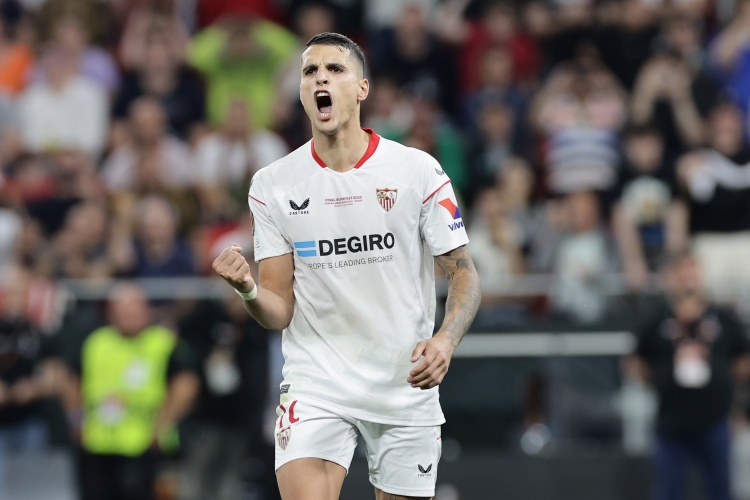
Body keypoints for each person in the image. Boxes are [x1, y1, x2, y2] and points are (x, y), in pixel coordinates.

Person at [212, 32, 481, 500]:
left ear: (362, 89)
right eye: (310, 71)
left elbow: (464, 273)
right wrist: (248, 289)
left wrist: (445, 340)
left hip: (403, 380)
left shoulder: (418, 171)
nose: (321, 78)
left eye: (335, 69)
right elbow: (279, 309)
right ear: (302, 92)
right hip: (317, 383)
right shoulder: (273, 184)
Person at [628, 248, 750, 500]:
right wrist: (658, 380)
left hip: (714, 419)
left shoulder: (722, 317)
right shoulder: (655, 318)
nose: (687, 277)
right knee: (669, 490)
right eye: (681, 270)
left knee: (720, 489)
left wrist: (724, 381)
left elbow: (742, 359)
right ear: (670, 276)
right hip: (670, 421)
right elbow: (635, 362)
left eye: (692, 269)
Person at [65, 282, 199, 500]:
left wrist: (165, 422)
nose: (129, 315)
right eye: (122, 310)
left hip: (142, 442)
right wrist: (76, 418)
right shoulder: (96, 341)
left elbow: (187, 383)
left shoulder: (163, 342)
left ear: (146, 310)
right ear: (111, 313)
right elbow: (72, 380)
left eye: (134, 309)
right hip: (96, 441)